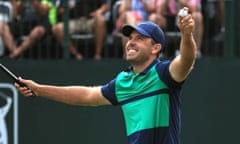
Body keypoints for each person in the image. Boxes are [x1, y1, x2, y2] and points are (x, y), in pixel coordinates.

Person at [15, 7, 197, 144]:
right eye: (130, 38)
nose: (131, 42)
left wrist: (187, 35)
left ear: (156, 48)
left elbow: (186, 61)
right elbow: (86, 96)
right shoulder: (123, 82)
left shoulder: (163, 74)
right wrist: (38, 89)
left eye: (139, 39)